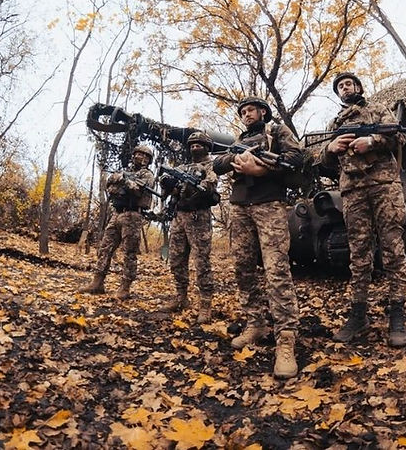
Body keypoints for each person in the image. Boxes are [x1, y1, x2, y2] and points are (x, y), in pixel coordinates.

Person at [317, 72, 406, 346]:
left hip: (384, 186)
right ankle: (359, 314)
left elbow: (399, 138)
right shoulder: (336, 122)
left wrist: (372, 142)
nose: (345, 88)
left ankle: (397, 313)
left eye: (348, 84)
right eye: (340, 87)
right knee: (358, 255)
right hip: (352, 191)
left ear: (358, 86)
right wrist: (331, 148)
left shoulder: (377, 110)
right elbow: (323, 160)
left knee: (393, 249)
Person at [213, 97, 304, 379]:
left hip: (270, 206)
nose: (246, 114)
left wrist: (261, 169)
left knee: (276, 270)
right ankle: (256, 323)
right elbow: (217, 164)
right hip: (240, 208)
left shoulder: (276, 132)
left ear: (262, 111)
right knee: (242, 269)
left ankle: (286, 338)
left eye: (250, 110)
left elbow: (296, 158)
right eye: (242, 112)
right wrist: (236, 159)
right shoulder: (238, 140)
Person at [158, 132, 220, 323]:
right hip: (179, 215)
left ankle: (205, 304)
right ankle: (181, 297)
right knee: (176, 259)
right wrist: (168, 183)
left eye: (199, 145)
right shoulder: (183, 166)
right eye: (192, 145)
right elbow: (168, 185)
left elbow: (211, 183)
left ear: (206, 147)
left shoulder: (211, 165)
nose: (195, 148)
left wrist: (198, 183)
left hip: (198, 215)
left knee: (201, 261)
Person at [79, 145, 156, 299]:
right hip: (117, 213)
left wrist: (125, 181)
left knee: (129, 252)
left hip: (133, 215)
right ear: (133, 155)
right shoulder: (123, 171)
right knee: (104, 248)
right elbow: (110, 184)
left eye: (146, 156)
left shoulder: (147, 175)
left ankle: (125, 287)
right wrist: (119, 178)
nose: (142, 158)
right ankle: (97, 282)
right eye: (139, 154)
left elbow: (137, 191)